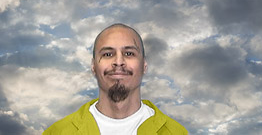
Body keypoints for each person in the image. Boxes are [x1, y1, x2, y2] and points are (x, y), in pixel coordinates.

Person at [43, 23, 188, 134]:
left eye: (129, 53)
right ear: (93, 66)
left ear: (144, 65)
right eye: (107, 54)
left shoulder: (175, 132)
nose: (119, 62)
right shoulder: (58, 132)